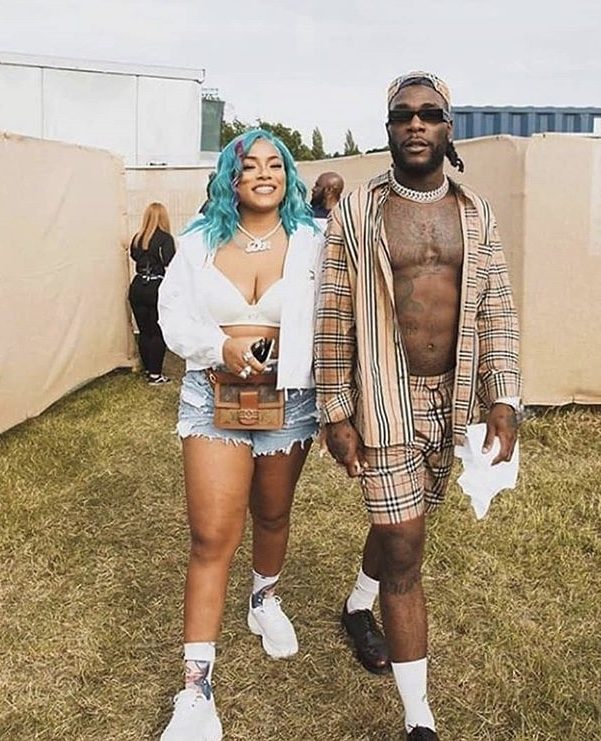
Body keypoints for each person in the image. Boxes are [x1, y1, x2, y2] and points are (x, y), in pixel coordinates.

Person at [314, 71, 521, 740]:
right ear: (389, 128)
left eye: (429, 114)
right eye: (403, 114)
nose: (415, 123)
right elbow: (332, 314)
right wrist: (334, 410)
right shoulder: (357, 211)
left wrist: (503, 397)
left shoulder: (476, 212)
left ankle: (357, 605)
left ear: (447, 127)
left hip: (451, 399)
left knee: (402, 523)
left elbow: (495, 309)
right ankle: (418, 719)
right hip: (383, 397)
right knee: (405, 546)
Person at [157, 129, 323, 740]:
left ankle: (263, 600)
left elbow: (336, 315)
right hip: (211, 396)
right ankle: (196, 690)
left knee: (273, 513)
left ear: (288, 177)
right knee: (211, 535)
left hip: (291, 401)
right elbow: (172, 316)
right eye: (249, 165)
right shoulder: (197, 241)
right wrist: (218, 346)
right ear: (231, 177)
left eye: (275, 164)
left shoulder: (315, 241)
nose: (263, 174)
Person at [128, 202, 176, 385]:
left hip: (137, 286)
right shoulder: (165, 238)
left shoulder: (137, 238)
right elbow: (170, 261)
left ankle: (149, 368)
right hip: (156, 287)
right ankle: (155, 375)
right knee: (157, 331)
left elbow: (134, 256)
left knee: (144, 331)